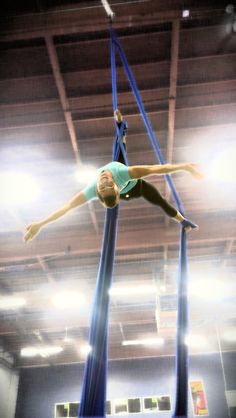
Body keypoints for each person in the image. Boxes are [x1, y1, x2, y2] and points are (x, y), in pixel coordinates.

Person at [23, 110, 203, 242]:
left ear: (98, 191)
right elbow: (156, 169)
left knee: (119, 155)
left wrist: (41, 223)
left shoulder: (94, 187)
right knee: (159, 200)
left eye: (103, 186)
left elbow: (67, 207)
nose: (105, 181)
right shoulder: (123, 175)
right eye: (109, 184)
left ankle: (120, 129)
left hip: (123, 186)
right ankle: (183, 221)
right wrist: (185, 167)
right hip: (134, 188)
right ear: (116, 185)